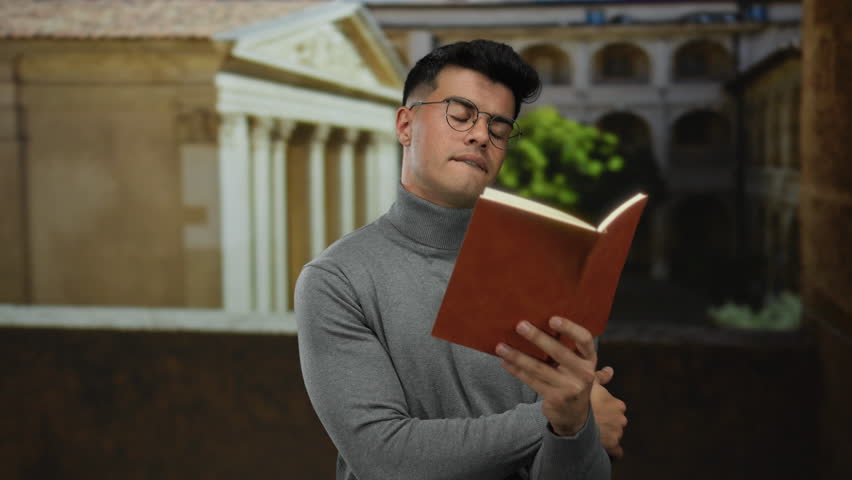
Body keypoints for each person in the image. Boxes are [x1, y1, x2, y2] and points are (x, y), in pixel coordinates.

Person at [296, 39, 626, 480]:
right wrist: (555, 415)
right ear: (406, 125)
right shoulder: (337, 280)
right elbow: (384, 458)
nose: (480, 135)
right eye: (461, 113)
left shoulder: (550, 271)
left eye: (499, 127)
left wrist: (571, 429)